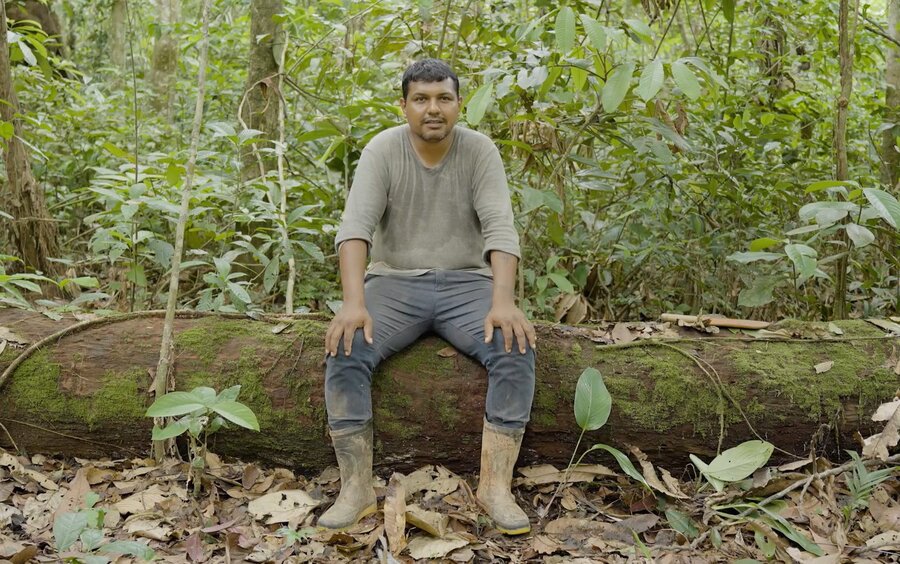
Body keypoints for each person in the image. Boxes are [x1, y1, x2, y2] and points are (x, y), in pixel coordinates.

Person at [319, 58, 536, 535]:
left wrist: (503, 300)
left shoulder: (480, 152)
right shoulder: (383, 149)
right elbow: (354, 230)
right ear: (404, 106)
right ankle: (355, 489)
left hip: (467, 284)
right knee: (347, 346)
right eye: (421, 99)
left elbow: (501, 228)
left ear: (459, 104)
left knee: (515, 347)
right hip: (395, 283)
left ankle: (495, 486)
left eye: (443, 98)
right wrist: (353, 303)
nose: (432, 109)